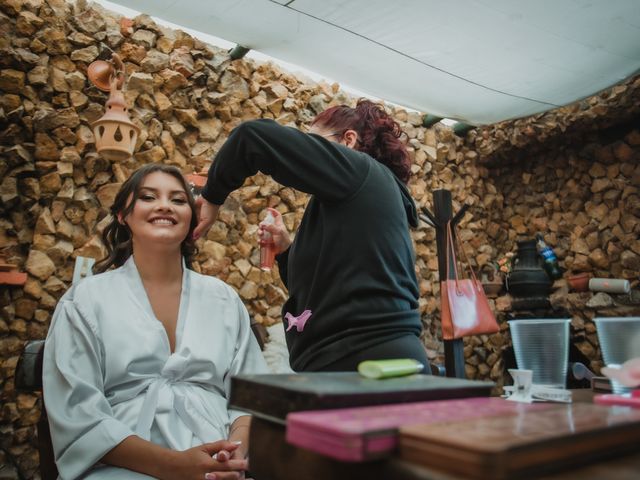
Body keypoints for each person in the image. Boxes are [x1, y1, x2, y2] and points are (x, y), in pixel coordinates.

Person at [43, 164, 267, 480]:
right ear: (123, 214)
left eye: (178, 200)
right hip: (121, 465)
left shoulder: (224, 299)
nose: (164, 205)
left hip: (219, 459)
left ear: (192, 218)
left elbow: (251, 396)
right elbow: (78, 412)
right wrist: (175, 467)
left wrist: (231, 456)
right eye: (149, 196)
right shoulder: (86, 300)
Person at [193, 99, 429, 372]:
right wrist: (286, 251)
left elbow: (253, 137)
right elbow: (320, 289)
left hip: (364, 359)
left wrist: (211, 196)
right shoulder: (353, 199)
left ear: (348, 140)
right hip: (359, 357)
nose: (305, 150)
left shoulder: (361, 173)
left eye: (312, 140)